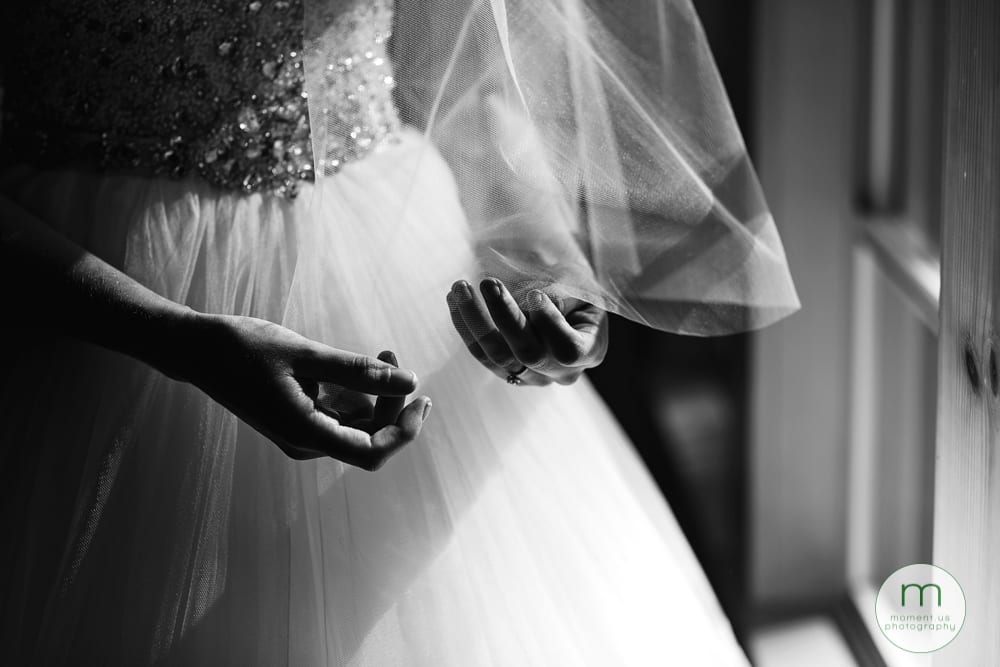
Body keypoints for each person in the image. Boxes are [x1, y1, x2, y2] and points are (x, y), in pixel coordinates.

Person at [0, 0, 796, 664]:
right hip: (82, 290)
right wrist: (174, 338)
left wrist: (548, 266)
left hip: (397, 250)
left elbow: (468, 80)